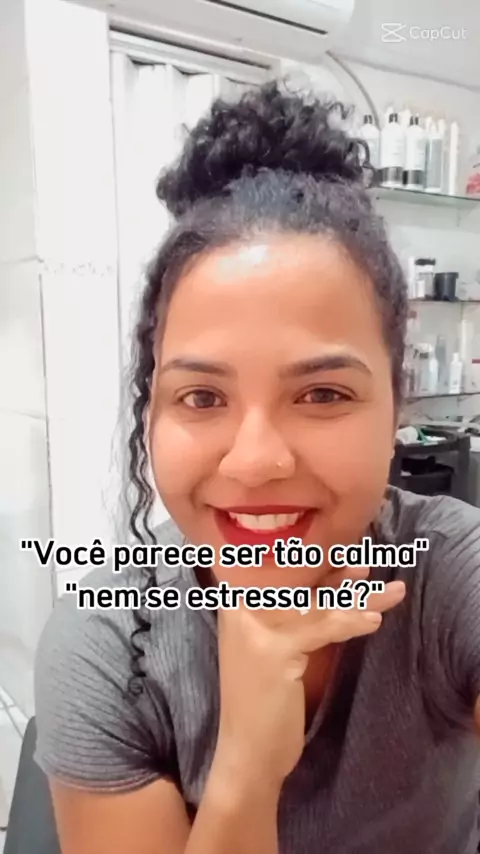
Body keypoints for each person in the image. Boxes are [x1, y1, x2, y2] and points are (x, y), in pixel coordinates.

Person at [34, 81, 480, 854]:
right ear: (152, 412)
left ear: (395, 409)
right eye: (202, 397)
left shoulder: (452, 576)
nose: (256, 461)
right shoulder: (108, 648)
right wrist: (244, 769)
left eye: (323, 393)